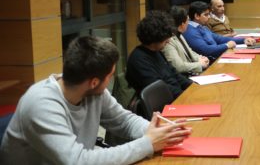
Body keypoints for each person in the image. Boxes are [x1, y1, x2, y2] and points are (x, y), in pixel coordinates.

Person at [0, 36, 191, 164]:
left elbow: (123, 120)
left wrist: (156, 131)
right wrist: (148, 143)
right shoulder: (41, 104)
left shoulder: (93, 91)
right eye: (111, 75)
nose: (113, 78)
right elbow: (79, 161)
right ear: (94, 82)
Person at [126, 10, 193, 98]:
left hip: (178, 97)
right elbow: (159, 90)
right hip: (164, 105)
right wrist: (185, 95)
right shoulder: (138, 60)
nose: (168, 41)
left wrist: (193, 87)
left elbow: (175, 74)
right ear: (155, 38)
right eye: (165, 39)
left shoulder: (157, 51)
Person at [184, 1, 255, 61]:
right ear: (197, 16)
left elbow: (220, 39)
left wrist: (244, 40)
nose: (209, 17)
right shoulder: (190, 31)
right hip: (209, 64)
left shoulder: (202, 27)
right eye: (206, 15)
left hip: (216, 59)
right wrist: (226, 45)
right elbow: (206, 50)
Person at [163, 6, 210, 75]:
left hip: (194, 72)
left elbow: (189, 51)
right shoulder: (167, 41)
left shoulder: (180, 34)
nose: (188, 23)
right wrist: (200, 64)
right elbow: (178, 66)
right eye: (188, 20)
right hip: (185, 77)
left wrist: (201, 58)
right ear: (182, 24)